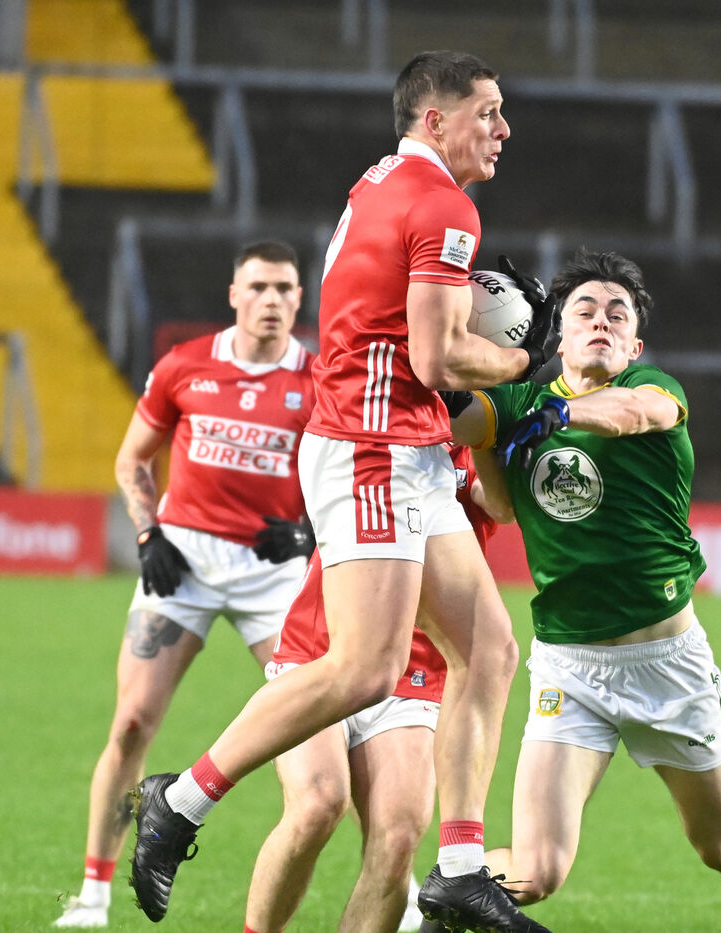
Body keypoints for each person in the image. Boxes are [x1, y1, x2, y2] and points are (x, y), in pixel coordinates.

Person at [127, 50, 560, 933]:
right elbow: (438, 358)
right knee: (364, 668)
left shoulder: (381, 182)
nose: (504, 130)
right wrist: (523, 361)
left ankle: (461, 868)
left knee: (490, 651)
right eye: (488, 112)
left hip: (409, 445)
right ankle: (183, 800)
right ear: (434, 121)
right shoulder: (445, 204)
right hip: (374, 447)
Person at [429, 249, 721, 926]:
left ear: (635, 343)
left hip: (667, 665)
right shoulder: (519, 402)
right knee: (536, 867)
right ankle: (432, 904)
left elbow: (629, 414)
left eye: (619, 315)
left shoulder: (655, 389)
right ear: (556, 334)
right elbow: (457, 429)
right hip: (570, 666)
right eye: (585, 310)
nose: (602, 321)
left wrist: (557, 419)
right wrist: (458, 370)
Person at [54, 241, 316, 928]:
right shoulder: (185, 366)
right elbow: (132, 460)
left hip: (275, 572)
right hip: (186, 560)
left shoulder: (319, 380)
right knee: (133, 721)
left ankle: (395, 874)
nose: (272, 300)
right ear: (234, 293)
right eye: (258, 286)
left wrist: (311, 535)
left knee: (318, 731)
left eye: (285, 289)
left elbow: (344, 478)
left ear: (300, 297)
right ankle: (93, 893)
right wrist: (148, 534)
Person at [245, 444, 507, 933]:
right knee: (316, 804)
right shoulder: (375, 415)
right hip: (322, 651)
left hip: (419, 669)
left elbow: (500, 503)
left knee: (400, 836)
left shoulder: (483, 438)